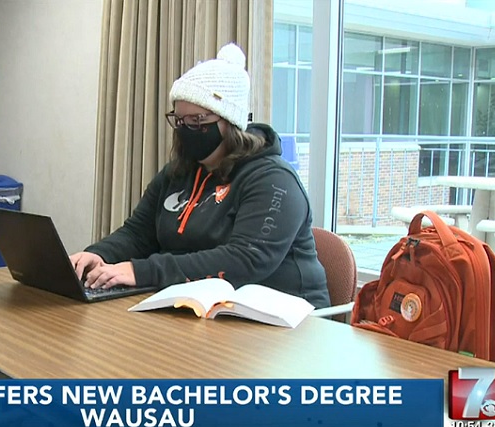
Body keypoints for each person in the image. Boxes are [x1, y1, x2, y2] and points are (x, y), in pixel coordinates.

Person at [70, 43, 330, 308]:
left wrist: (142, 271)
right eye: (180, 120)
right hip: (203, 309)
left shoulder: (274, 180)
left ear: (229, 121)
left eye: (196, 121)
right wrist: (98, 256)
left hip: (285, 319)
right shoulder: (178, 172)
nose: (185, 130)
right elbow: (138, 234)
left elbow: (245, 260)